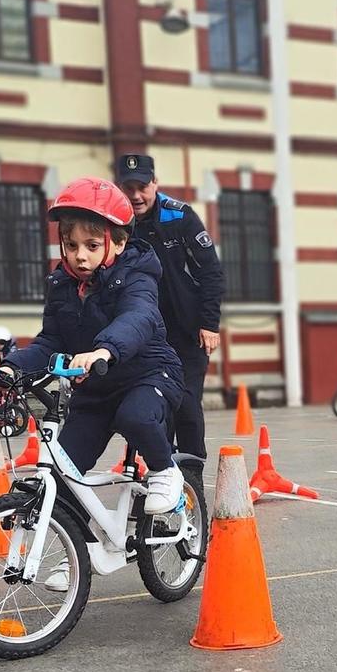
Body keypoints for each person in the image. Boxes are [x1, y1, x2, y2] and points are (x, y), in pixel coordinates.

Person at [0, 175, 184, 520]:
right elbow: (50, 340)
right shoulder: (62, 285)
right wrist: (12, 368)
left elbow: (137, 317)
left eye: (92, 246)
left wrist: (103, 350)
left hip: (149, 374)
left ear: (119, 244)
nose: (80, 256)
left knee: (135, 417)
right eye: (71, 245)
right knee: (63, 473)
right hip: (95, 391)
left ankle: (165, 470)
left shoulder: (138, 276)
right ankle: (74, 553)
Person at [116, 153, 224, 491]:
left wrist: (209, 323)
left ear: (155, 184)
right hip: (144, 334)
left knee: (187, 406)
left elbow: (211, 272)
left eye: (142, 187)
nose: (136, 195)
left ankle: (192, 480)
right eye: (129, 187)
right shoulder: (116, 220)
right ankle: (162, 477)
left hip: (187, 332)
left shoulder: (180, 216)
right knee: (154, 406)